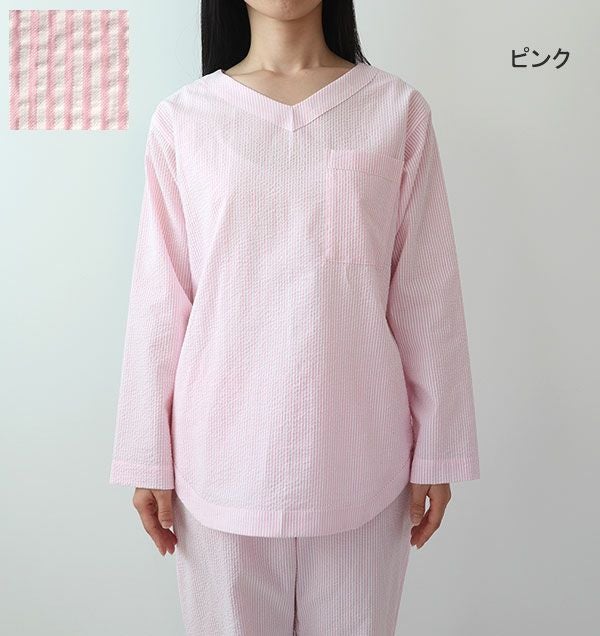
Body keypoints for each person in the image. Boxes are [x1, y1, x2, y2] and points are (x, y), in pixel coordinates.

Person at [109, 1, 481, 633]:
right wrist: (147, 453)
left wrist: (438, 449)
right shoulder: (185, 119)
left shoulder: (395, 110)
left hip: (363, 456)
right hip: (218, 461)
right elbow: (159, 298)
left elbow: (425, 291)